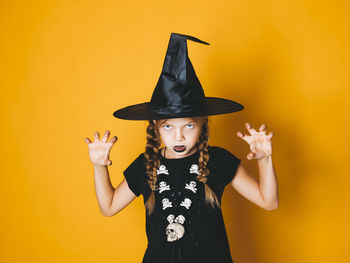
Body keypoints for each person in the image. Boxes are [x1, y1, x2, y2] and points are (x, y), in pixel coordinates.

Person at [84, 33, 278, 263]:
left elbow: (269, 201)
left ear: (203, 122)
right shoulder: (147, 165)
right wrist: (98, 166)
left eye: (189, 125)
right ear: (155, 126)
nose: (179, 136)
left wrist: (265, 160)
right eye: (168, 126)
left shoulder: (218, 160)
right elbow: (108, 207)